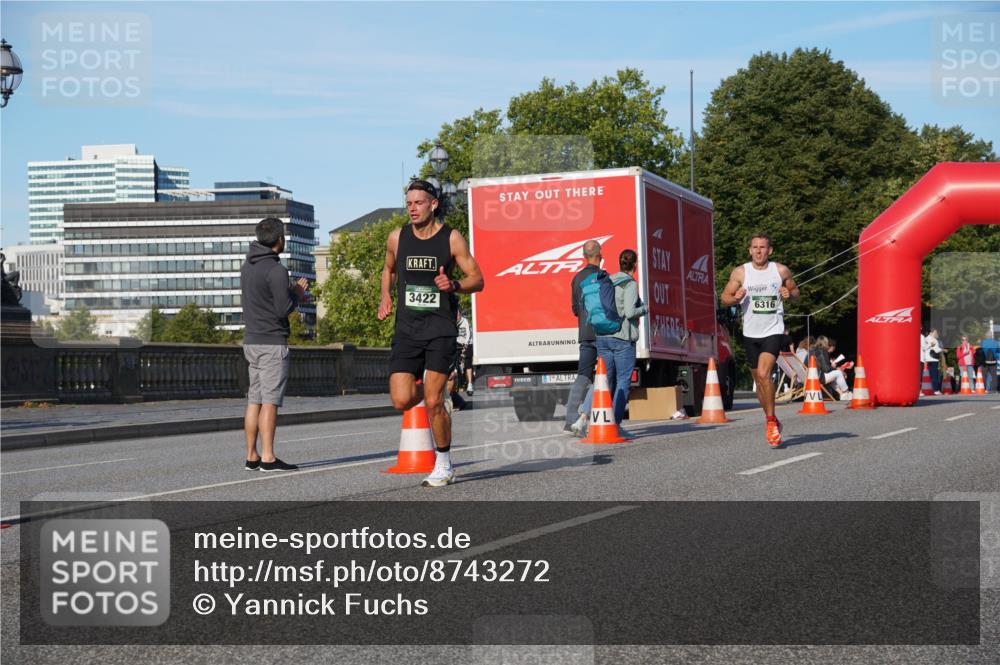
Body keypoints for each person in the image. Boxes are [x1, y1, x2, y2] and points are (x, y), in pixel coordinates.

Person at [377, 179, 484, 488]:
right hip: (407, 329)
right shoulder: (397, 238)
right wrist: (386, 296)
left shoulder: (451, 239)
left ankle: (444, 463)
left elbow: (478, 279)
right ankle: (439, 397)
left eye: (418, 203)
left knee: (433, 401)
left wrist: (455, 286)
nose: (412, 208)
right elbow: (388, 269)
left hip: (440, 328)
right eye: (408, 203)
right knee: (401, 399)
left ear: (433, 204)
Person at [240, 217, 310, 472]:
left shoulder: (247, 266)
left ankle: (252, 456)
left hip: (251, 341)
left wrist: (287, 291)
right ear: (280, 239)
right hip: (272, 343)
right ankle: (269, 457)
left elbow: (264, 299)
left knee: (254, 400)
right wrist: (298, 294)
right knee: (270, 400)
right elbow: (283, 309)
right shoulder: (276, 270)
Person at [721, 233, 799, 448]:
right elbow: (724, 298)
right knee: (760, 386)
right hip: (750, 333)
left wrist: (788, 294)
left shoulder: (780, 270)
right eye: (755, 247)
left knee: (764, 374)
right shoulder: (740, 272)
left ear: (769, 250)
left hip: (773, 330)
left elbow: (795, 291)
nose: (758, 251)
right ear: (750, 250)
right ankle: (771, 419)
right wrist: (735, 298)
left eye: (762, 247)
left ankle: (771, 421)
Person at [581, 249, 647, 439]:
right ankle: (615, 424)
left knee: (603, 381)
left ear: (619, 264)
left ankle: (586, 416)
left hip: (602, 336)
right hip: (622, 338)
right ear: (635, 265)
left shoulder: (607, 280)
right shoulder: (630, 284)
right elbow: (630, 311)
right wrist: (645, 309)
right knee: (623, 382)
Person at [564, 239, 603, 435]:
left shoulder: (577, 278)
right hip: (603, 332)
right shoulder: (603, 276)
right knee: (605, 374)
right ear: (600, 255)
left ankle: (569, 420)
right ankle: (588, 416)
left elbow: (574, 309)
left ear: (584, 256)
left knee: (582, 376)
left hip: (585, 333)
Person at [810, 336, 851, 400]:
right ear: (826, 343)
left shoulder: (811, 350)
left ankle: (842, 394)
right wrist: (836, 368)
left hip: (809, 376)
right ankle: (846, 392)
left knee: (833, 375)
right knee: (838, 373)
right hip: (818, 377)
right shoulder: (823, 351)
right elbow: (826, 369)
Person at [447, 306, 471, 412]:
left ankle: (455, 401)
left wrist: (464, 348)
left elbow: (466, 337)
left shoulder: (463, 322)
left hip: (459, 347)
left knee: (451, 375)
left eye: (457, 314)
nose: (455, 316)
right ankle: (458, 401)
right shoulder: (450, 321)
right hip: (452, 347)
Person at [922, 328, 943, 394]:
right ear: (931, 332)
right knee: (934, 374)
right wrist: (942, 350)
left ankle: (935, 389)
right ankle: (936, 390)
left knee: (933, 374)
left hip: (931, 358)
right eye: (935, 332)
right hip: (932, 358)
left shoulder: (929, 338)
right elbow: (934, 348)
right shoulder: (930, 339)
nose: (936, 334)